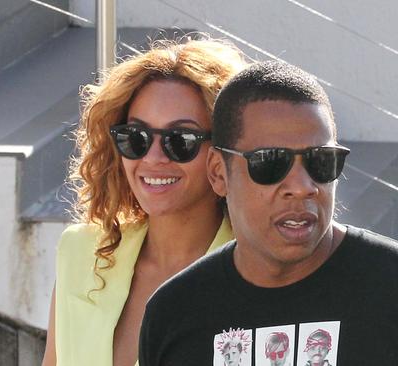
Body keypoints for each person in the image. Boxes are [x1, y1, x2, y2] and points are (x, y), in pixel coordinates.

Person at [139, 61, 398, 365]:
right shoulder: (175, 314)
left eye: (321, 161)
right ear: (218, 172)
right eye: (271, 162)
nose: (303, 185)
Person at [41, 37, 246, 366]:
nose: (153, 157)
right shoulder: (80, 253)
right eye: (135, 137)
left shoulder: (257, 272)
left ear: (224, 153)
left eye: (181, 140)